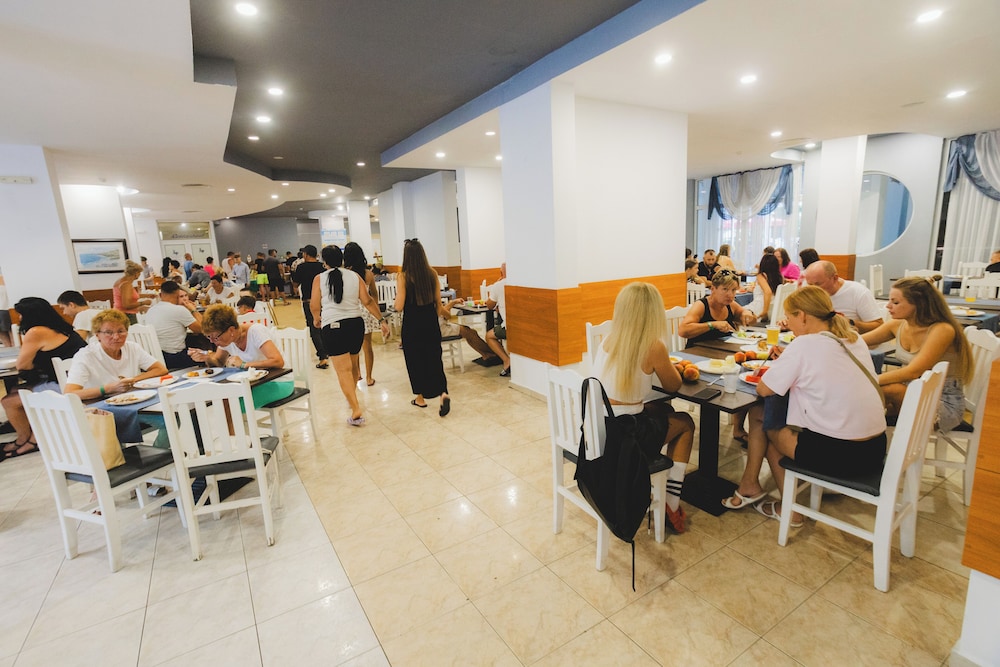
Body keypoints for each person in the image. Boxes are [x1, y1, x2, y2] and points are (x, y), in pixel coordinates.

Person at [722, 286, 887, 525]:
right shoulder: (854, 339)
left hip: (842, 455)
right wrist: (789, 360)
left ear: (803, 316)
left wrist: (788, 361)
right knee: (760, 412)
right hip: (874, 449)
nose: (787, 323)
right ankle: (749, 484)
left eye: (789, 317)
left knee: (767, 423)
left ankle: (788, 508)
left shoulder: (805, 345)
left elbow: (763, 389)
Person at [593, 282, 696, 533]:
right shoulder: (653, 346)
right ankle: (671, 501)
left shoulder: (608, 340)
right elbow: (673, 385)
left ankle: (649, 483)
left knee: (665, 412)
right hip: (627, 436)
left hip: (603, 428)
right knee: (686, 422)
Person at [862, 277, 973, 431]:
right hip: (912, 392)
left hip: (943, 403)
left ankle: (860, 435)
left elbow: (913, 372)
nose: (888, 306)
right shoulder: (897, 325)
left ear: (918, 304)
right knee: (871, 397)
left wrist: (867, 380)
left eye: (895, 302)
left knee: (885, 391)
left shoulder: (942, 330)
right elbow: (857, 343)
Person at [310, 245, 388, 426]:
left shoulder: (319, 278)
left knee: (343, 370)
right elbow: (367, 301)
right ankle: (352, 398)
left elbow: (314, 304)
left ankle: (355, 408)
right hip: (355, 325)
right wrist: (381, 320)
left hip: (333, 326)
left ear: (325, 262)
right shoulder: (355, 276)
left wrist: (316, 318)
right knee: (352, 366)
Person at [64, 309, 169, 444]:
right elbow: (70, 393)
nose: (116, 337)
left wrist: (132, 380)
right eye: (108, 332)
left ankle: (157, 453)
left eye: (121, 331)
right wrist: (108, 388)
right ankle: (155, 455)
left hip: (132, 402)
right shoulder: (86, 355)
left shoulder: (132, 348)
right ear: (97, 335)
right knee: (166, 421)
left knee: (171, 417)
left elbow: (160, 369)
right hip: (101, 408)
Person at [1, 298, 87, 459]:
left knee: (8, 401)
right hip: (77, 380)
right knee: (15, 390)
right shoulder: (61, 327)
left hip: (67, 385)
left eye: (21, 314)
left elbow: (22, 365)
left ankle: (26, 440)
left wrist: (34, 365)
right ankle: (35, 434)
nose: (19, 318)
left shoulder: (36, 332)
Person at [188, 304, 293, 407]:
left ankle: (236, 419)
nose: (212, 341)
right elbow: (219, 362)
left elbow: (278, 361)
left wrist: (244, 364)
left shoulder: (256, 332)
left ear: (231, 330)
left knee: (230, 405)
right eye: (209, 337)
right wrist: (207, 358)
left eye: (215, 337)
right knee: (219, 399)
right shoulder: (227, 340)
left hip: (278, 381)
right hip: (250, 384)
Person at [394, 239, 452, 416]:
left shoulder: (403, 276)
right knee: (434, 359)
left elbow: (399, 306)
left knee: (415, 361)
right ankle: (443, 393)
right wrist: (448, 314)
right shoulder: (432, 274)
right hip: (430, 323)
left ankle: (420, 398)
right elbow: (438, 305)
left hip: (412, 325)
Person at [679, 269, 757, 347]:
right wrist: (712, 325)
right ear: (713, 289)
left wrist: (749, 313)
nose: (730, 294)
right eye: (725, 289)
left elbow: (752, 321)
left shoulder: (731, 305)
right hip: (697, 351)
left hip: (721, 349)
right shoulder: (701, 305)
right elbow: (683, 331)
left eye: (733, 290)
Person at [803, 260, 883, 333]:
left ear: (835, 278)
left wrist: (850, 323)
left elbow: (878, 325)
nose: (813, 289)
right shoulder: (808, 293)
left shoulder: (858, 292)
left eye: (818, 284)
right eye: (810, 284)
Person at [143, 280, 203, 369]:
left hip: (154, 358)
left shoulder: (151, 310)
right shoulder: (179, 310)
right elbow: (202, 329)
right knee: (206, 355)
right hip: (173, 358)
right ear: (177, 295)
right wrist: (193, 310)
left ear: (160, 295)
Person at [344, 242, 380, 385]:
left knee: (353, 347)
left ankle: (357, 373)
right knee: (367, 346)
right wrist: (376, 310)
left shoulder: (345, 274)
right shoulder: (368, 274)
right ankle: (369, 377)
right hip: (366, 310)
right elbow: (374, 294)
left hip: (351, 310)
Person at [291, 244, 330, 369]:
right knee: (325, 325)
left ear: (306, 254)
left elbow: (295, 284)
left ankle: (323, 357)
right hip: (324, 301)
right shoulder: (322, 267)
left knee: (314, 328)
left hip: (309, 301)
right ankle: (327, 350)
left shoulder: (301, 267)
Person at [485, 263, 511, 376]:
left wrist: (497, 283)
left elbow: (489, 305)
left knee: (489, 336)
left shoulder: (499, 285)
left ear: (501, 272)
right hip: (522, 325)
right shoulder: (520, 283)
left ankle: (506, 360)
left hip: (509, 327)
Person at [744, 254, 782, 323]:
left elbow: (768, 292)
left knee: (737, 312)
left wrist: (765, 311)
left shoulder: (761, 276)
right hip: (774, 308)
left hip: (761, 306)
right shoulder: (779, 277)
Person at [0, 272, 11, 347]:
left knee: (14, 336)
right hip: (4, 309)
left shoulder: (6, 276)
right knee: (5, 339)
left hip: (6, 309)